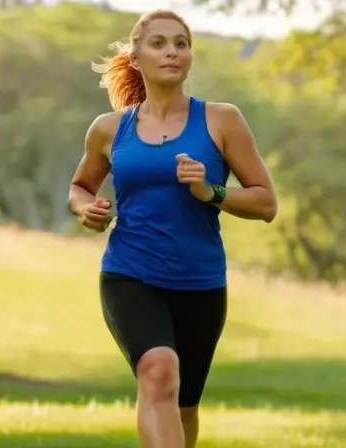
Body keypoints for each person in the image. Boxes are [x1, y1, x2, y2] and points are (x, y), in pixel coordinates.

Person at [67, 9, 278, 448]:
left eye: (181, 44)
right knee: (158, 372)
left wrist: (211, 192)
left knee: (183, 407)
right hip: (130, 275)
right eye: (159, 43)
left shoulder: (221, 120)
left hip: (200, 283)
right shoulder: (109, 129)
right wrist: (87, 210)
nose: (172, 52)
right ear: (137, 57)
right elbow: (80, 187)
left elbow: (265, 202)